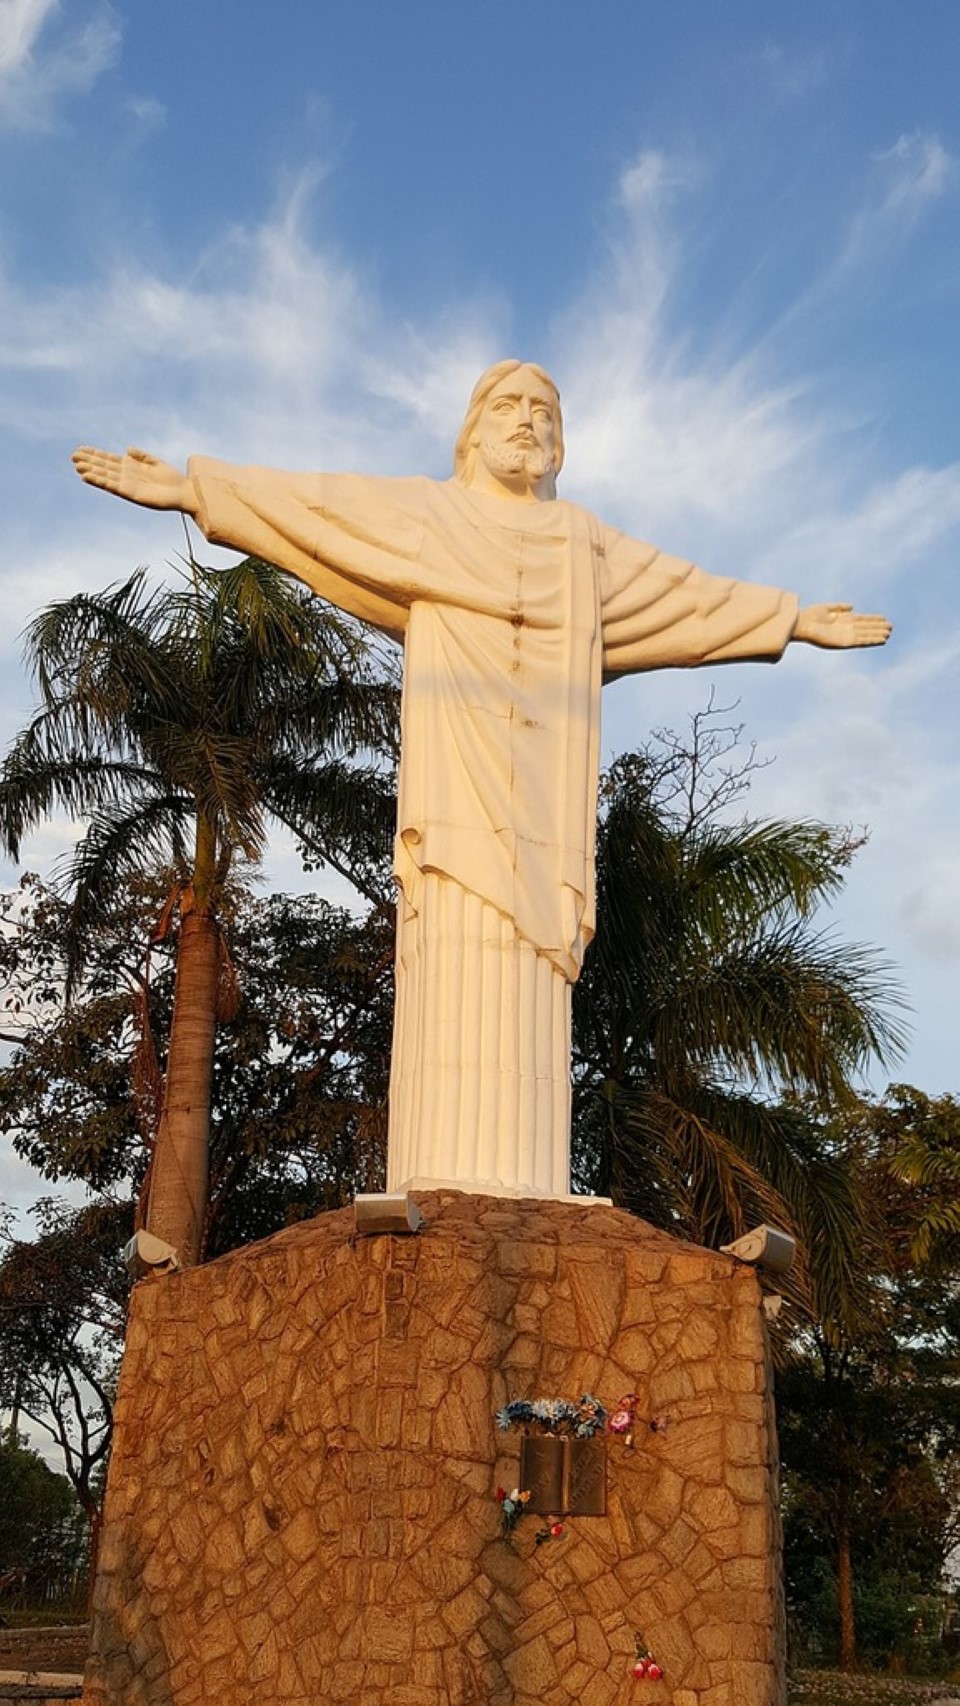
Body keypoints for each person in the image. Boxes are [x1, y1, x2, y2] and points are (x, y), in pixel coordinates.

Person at [73, 360, 891, 1198]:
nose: (528, 420)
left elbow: (686, 597)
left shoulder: (583, 548)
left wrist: (791, 619)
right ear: (472, 431)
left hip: (547, 813)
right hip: (452, 797)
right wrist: (194, 491)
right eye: (508, 405)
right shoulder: (430, 518)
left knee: (529, 984)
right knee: (456, 958)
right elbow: (317, 510)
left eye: (544, 410)